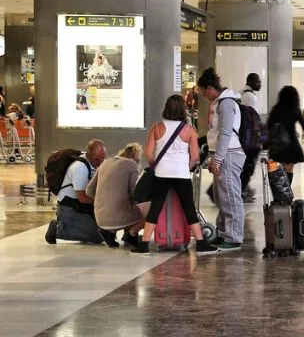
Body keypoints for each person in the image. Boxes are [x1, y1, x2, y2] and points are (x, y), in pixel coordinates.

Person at [132, 95, 219, 254]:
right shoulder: (189, 130)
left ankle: (144, 244)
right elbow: (195, 157)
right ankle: (201, 243)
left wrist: (155, 164)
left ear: (165, 108)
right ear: (183, 110)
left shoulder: (156, 128)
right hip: (181, 174)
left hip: (161, 174)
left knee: (155, 208)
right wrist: (186, 167)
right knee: (189, 208)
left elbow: (148, 153)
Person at [198, 68, 245, 251]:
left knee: (231, 197)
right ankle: (224, 232)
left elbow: (225, 133)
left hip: (230, 155)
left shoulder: (226, 103)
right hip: (222, 154)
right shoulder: (219, 103)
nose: (203, 96)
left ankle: (234, 238)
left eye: (203, 92)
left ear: (210, 88)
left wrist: (217, 159)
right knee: (222, 197)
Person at [44, 140, 115, 246]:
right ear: (88, 154)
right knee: (98, 236)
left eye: (103, 159)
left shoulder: (92, 164)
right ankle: (57, 229)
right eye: (96, 159)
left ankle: (78, 226)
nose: (100, 162)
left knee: (105, 230)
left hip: (81, 207)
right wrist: (102, 204)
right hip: (69, 208)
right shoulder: (79, 168)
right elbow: (82, 197)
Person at [86, 143, 147, 248]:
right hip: (118, 219)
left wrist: (104, 200)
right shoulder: (131, 165)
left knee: (126, 205)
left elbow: (89, 191)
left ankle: (109, 232)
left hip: (100, 219)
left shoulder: (104, 163)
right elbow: (135, 194)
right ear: (136, 158)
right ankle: (131, 233)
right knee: (153, 207)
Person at [267, 86, 304, 185]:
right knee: (289, 168)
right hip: (290, 144)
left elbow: (269, 125)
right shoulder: (295, 109)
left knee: (277, 169)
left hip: (277, 144)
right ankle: (286, 192)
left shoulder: (275, 109)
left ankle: (279, 193)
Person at [239, 73, 263, 202]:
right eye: (258, 82)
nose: (260, 84)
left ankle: (244, 189)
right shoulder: (250, 97)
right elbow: (254, 119)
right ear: (251, 81)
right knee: (248, 166)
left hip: (244, 137)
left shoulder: (242, 93)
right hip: (250, 138)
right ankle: (242, 191)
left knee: (245, 165)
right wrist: (259, 138)